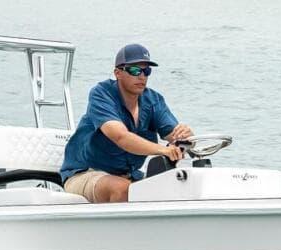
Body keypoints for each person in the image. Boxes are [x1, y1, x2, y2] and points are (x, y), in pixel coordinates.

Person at [60, 43, 193, 203]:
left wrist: (185, 138)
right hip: (85, 173)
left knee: (179, 188)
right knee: (122, 189)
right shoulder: (101, 94)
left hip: (129, 176)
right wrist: (162, 151)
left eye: (146, 71)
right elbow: (121, 137)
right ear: (118, 73)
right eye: (135, 70)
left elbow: (175, 137)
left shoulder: (154, 100)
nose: (142, 76)